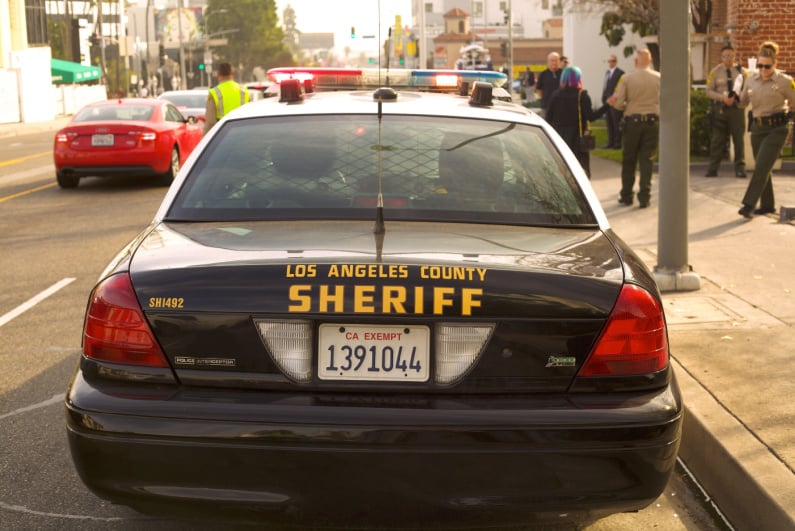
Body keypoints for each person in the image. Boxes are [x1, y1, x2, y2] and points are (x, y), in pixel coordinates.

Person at [736, 41, 795, 219]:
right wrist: (735, 97)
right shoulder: (751, 79)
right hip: (758, 127)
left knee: (761, 166)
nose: (763, 69)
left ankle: (748, 204)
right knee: (764, 166)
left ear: (775, 64)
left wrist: (790, 113)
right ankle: (768, 205)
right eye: (760, 65)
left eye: (767, 66)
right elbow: (743, 102)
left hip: (777, 128)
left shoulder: (785, 81)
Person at [607, 48, 660, 209]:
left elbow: (618, 103)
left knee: (629, 159)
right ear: (650, 61)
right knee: (647, 160)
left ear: (636, 62)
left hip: (633, 122)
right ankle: (644, 196)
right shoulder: (659, 78)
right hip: (652, 122)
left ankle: (627, 195)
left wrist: (619, 104)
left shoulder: (626, 78)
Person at [545, 66, 605, 178]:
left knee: (562, 170)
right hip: (578, 139)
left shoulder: (555, 95)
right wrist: (607, 106)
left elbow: (548, 118)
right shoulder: (582, 95)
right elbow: (590, 117)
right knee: (582, 172)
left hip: (559, 138)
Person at [705, 45, 747, 178]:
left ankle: (740, 169)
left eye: (731, 56)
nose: (728, 59)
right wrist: (722, 98)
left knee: (738, 140)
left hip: (736, 109)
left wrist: (738, 99)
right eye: (725, 56)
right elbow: (708, 91)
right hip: (720, 110)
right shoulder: (715, 72)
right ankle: (713, 168)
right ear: (721, 57)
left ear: (734, 56)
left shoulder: (742, 72)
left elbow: (747, 89)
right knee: (717, 140)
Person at [203, 62, 251, 135]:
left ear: (218, 74)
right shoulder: (244, 90)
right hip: (243, 131)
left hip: (224, 133)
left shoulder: (214, 92)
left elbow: (210, 121)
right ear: (232, 74)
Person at [601, 54, 624, 149]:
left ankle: (617, 143)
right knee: (609, 123)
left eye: (613, 61)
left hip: (615, 102)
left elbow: (621, 87)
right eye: (609, 61)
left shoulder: (620, 73)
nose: (611, 63)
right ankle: (610, 142)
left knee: (616, 123)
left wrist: (615, 98)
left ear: (616, 62)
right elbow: (606, 86)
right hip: (607, 101)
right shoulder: (607, 73)